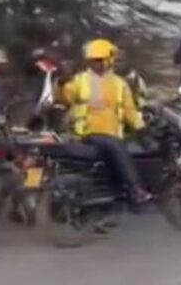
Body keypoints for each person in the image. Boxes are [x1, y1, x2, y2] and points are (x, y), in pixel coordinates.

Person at [61, 39, 151, 205]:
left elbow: (130, 110)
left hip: (112, 134)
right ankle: (136, 188)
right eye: (92, 60)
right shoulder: (79, 80)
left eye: (99, 60)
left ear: (109, 60)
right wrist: (63, 82)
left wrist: (141, 129)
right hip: (87, 133)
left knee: (121, 149)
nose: (95, 64)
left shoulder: (120, 84)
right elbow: (66, 97)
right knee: (115, 146)